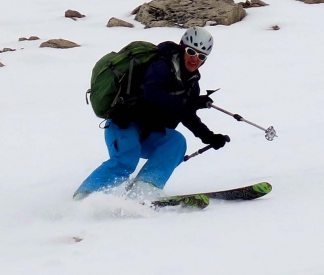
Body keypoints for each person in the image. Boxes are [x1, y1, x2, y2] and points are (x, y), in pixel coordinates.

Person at [73, 27, 229, 200]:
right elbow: (152, 94)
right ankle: (83, 197)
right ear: (182, 48)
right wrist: (188, 102)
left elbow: (187, 115)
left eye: (201, 56)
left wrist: (209, 137)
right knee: (126, 160)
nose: (194, 59)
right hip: (124, 124)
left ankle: (144, 189)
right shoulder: (162, 66)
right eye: (191, 52)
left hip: (150, 131)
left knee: (176, 142)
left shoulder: (192, 83)